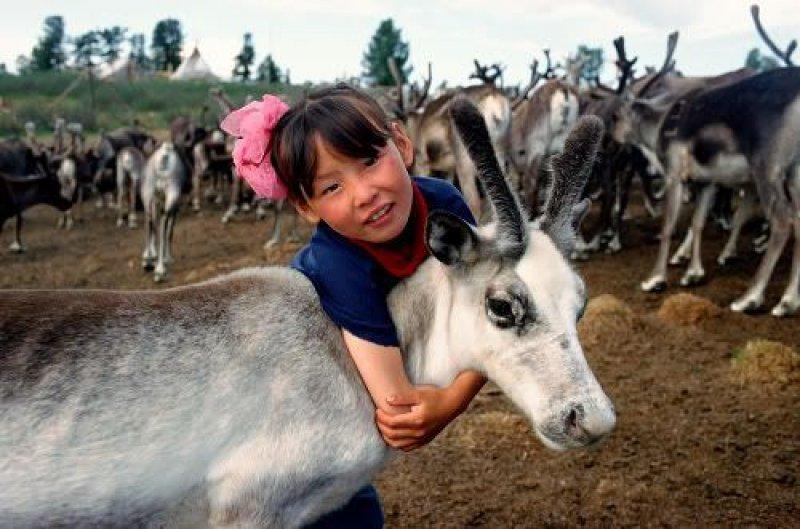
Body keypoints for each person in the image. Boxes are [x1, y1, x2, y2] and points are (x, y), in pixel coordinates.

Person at [221, 83, 487, 528]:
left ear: (402, 144)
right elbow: (398, 411)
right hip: (288, 395)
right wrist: (450, 401)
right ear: (306, 208)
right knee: (327, 493)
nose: (364, 194)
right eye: (332, 187)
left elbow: (486, 300)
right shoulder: (339, 264)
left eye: (368, 161)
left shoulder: (444, 202)